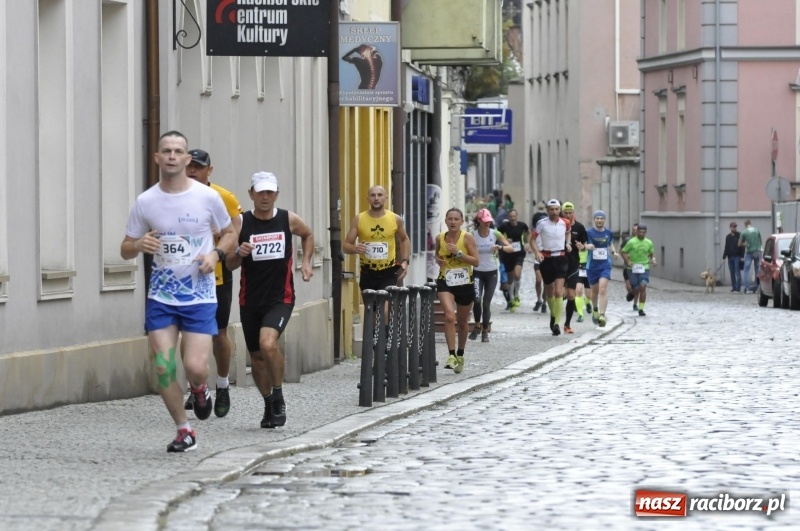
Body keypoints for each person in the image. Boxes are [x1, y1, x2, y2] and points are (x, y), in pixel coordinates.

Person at [120, 130, 237, 453]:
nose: (172, 156)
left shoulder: (207, 198)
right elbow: (125, 248)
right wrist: (138, 244)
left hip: (199, 295)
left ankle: (200, 388)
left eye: (178, 151)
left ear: (187, 160)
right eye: (166, 151)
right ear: (157, 158)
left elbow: (229, 234)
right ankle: (184, 429)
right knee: (164, 365)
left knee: (196, 366)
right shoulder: (145, 202)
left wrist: (215, 255)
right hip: (162, 295)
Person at [225, 171, 314, 429]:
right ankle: (268, 403)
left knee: (268, 343)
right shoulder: (240, 223)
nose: (265, 197)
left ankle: (278, 395)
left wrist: (306, 261)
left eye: (269, 192)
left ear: (276, 194)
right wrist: (239, 254)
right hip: (250, 301)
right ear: (251, 194)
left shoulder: (287, 219)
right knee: (257, 357)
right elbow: (229, 264)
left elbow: (307, 235)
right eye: (260, 192)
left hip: (280, 298)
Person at [182, 149, 242, 417]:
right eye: (189, 166)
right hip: (185, 275)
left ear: (209, 170)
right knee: (190, 334)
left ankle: (222, 384)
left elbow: (237, 229)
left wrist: (223, 241)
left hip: (217, 276)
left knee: (218, 333)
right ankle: (197, 387)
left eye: (198, 166)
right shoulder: (174, 196)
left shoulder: (223, 197)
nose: (192, 170)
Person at [435, 208, 480, 374]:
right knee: (449, 316)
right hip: (445, 280)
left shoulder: (467, 238)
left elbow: (476, 262)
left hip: (464, 283)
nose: (453, 222)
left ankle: (460, 354)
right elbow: (437, 255)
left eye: (456, 219)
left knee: (462, 322)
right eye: (450, 219)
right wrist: (438, 260)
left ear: (461, 222)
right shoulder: (440, 238)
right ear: (445, 221)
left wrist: (459, 253)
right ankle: (451, 355)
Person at [343, 185, 411, 293]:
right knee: (371, 309)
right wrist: (355, 248)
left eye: (380, 195)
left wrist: (405, 261)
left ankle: (384, 310)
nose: (376, 198)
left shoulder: (395, 219)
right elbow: (346, 246)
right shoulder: (359, 219)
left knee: (384, 309)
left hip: (388, 271)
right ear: (368, 199)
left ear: (386, 198)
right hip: (367, 272)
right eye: (372, 195)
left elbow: (404, 239)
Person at [468, 208, 514, 342]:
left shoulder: (495, 233)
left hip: (491, 273)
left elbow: (511, 248)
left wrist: (500, 248)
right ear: (479, 221)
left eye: (489, 221)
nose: (487, 223)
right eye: (485, 221)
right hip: (477, 272)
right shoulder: (472, 235)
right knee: (477, 299)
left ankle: (485, 331)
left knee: (486, 303)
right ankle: (477, 325)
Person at [529, 199, 572, 336]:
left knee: (559, 292)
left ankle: (556, 322)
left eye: (556, 209)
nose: (554, 212)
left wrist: (568, 243)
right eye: (551, 209)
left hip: (561, 258)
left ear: (560, 210)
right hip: (546, 259)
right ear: (547, 210)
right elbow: (532, 240)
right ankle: (554, 316)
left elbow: (568, 232)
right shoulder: (541, 224)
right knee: (549, 292)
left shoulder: (565, 222)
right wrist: (537, 253)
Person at [582, 211, 619, 327]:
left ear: (604, 220)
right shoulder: (588, 232)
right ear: (594, 220)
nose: (599, 220)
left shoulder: (608, 233)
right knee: (594, 292)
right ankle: (595, 310)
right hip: (592, 266)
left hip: (605, 265)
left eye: (601, 218)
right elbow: (584, 245)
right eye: (597, 218)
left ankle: (602, 315)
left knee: (603, 290)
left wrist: (614, 252)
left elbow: (610, 244)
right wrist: (588, 246)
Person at [560, 202, 587, 334]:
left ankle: (567, 324)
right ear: (562, 213)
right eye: (566, 213)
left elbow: (585, 244)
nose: (569, 215)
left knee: (571, 295)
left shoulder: (579, 227)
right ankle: (554, 321)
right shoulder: (558, 226)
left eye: (571, 213)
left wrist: (582, 247)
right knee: (558, 294)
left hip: (573, 264)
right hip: (558, 264)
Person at [621, 224, 657, 316]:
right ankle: (632, 293)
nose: (641, 234)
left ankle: (641, 309)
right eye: (639, 232)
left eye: (643, 232)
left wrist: (653, 260)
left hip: (644, 267)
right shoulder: (631, 242)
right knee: (635, 288)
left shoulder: (649, 242)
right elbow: (623, 251)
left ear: (646, 233)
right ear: (637, 232)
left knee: (643, 287)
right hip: (632, 268)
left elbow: (651, 253)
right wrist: (627, 261)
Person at [498, 209, 529, 312]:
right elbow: (497, 236)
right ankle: (511, 299)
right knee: (510, 279)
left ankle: (516, 295)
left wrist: (527, 243)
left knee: (517, 274)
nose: (512, 218)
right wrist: (505, 241)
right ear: (508, 217)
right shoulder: (504, 226)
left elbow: (528, 233)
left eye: (514, 216)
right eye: (510, 216)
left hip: (519, 253)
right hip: (508, 254)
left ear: (517, 216)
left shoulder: (522, 225)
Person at [530, 201, 548, 314]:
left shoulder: (549, 230)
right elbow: (531, 240)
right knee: (538, 280)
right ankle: (539, 299)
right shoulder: (535, 231)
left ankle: (545, 302)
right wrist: (534, 251)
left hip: (548, 257)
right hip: (538, 257)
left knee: (547, 282)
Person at [739, 219, 762, 293]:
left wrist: (745, 244)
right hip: (757, 251)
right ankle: (757, 286)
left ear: (745, 225)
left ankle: (747, 288)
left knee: (746, 270)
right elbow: (760, 241)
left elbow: (739, 244)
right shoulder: (756, 230)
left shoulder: (744, 232)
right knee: (757, 270)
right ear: (750, 223)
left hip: (749, 252)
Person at [622, 223, 640, 310]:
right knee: (629, 287)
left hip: (638, 267)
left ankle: (635, 304)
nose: (635, 232)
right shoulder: (627, 240)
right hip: (627, 267)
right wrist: (627, 258)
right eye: (633, 230)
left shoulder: (643, 241)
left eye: (636, 230)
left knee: (638, 286)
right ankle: (631, 293)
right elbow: (621, 251)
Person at [722, 221, 744, 292]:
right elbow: (726, 247)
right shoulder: (728, 237)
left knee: (737, 272)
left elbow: (742, 247)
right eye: (733, 227)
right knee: (732, 272)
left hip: (737, 256)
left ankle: (738, 287)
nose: (734, 228)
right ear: (730, 228)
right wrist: (724, 257)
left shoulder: (739, 235)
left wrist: (742, 256)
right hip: (730, 257)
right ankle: (734, 287)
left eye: (735, 227)